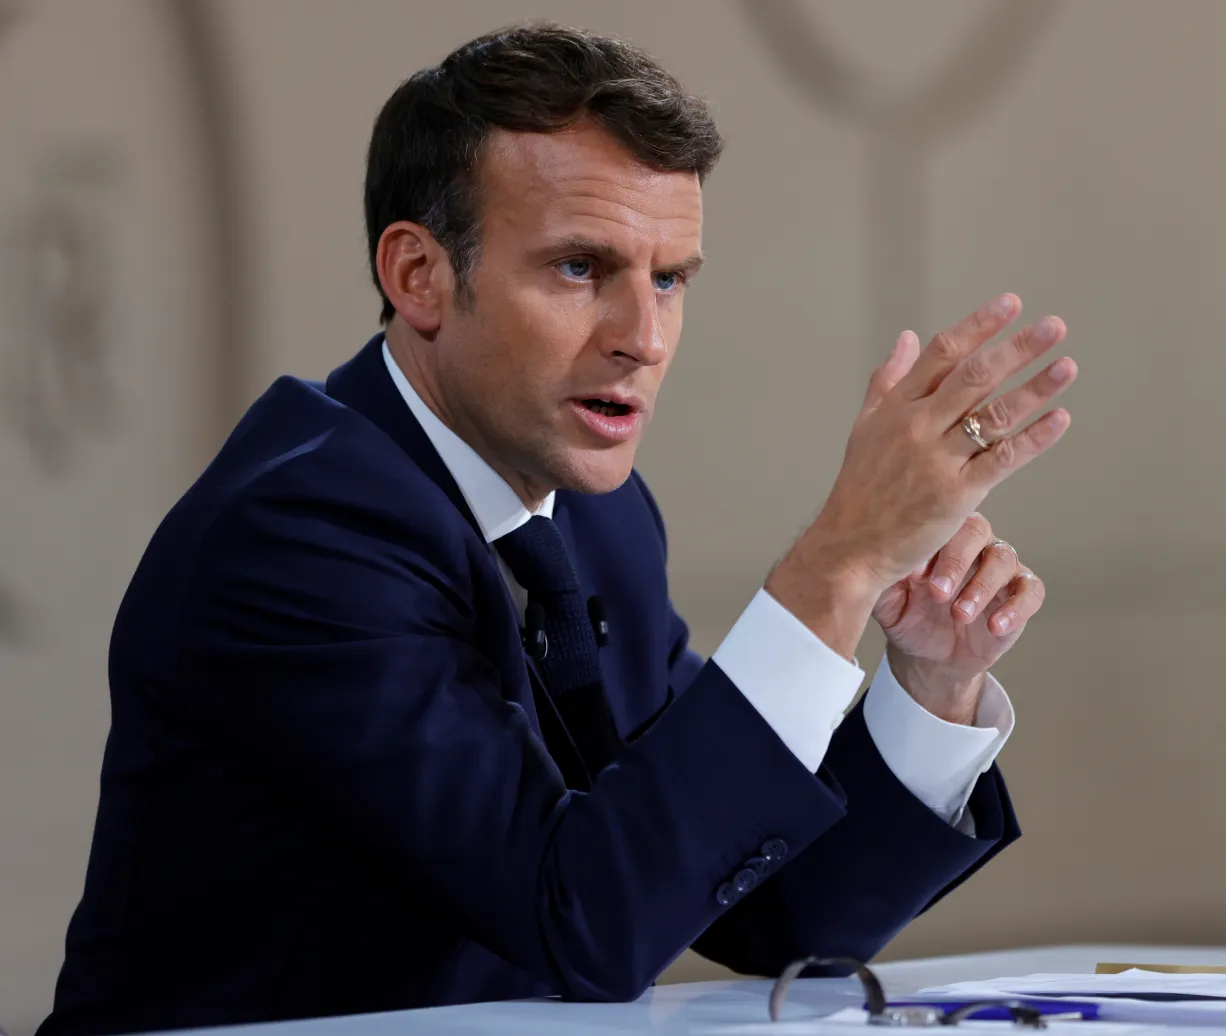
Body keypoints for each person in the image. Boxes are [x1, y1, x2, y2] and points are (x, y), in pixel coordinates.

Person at [40, 23, 1077, 1036]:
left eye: (670, 277)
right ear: (420, 277)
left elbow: (766, 906)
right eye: (582, 269)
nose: (644, 337)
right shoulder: (298, 533)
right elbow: (582, 918)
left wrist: (931, 684)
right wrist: (842, 559)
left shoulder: (599, 517)